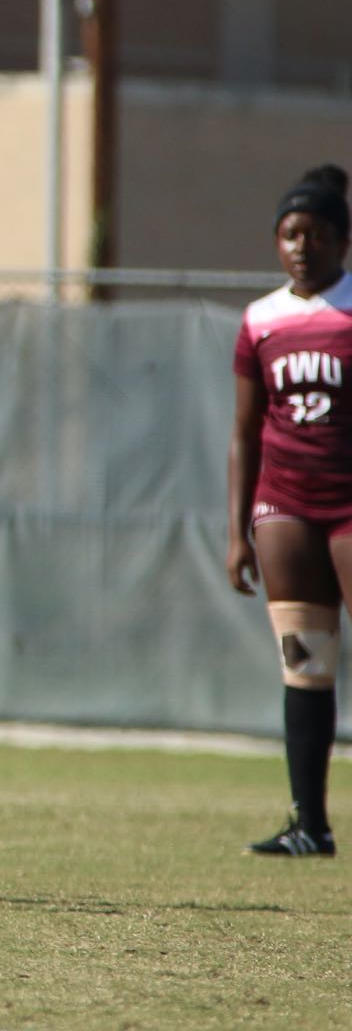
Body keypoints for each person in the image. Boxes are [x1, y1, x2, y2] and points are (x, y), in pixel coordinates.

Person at [229, 163, 352, 857]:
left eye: (312, 233)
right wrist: (236, 532)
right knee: (305, 665)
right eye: (287, 234)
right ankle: (311, 824)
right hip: (288, 510)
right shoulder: (261, 319)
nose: (299, 247)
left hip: (348, 509)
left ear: (342, 240)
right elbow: (244, 432)